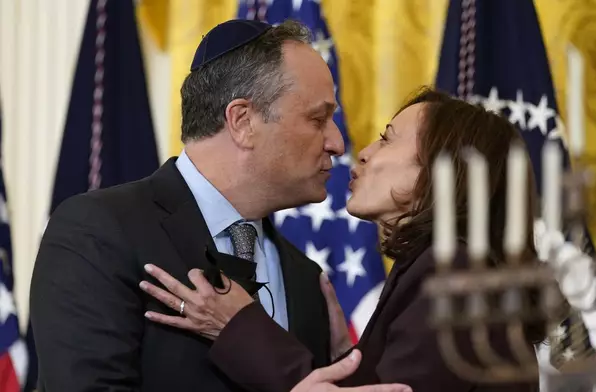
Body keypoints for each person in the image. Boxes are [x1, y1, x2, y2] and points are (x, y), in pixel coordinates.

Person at [30, 19, 400, 392]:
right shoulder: (99, 231)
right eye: (318, 119)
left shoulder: (307, 279)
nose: (337, 143)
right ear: (242, 121)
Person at [140, 87, 547, 391]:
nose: (363, 152)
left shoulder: (454, 269)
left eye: (387, 138)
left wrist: (238, 327)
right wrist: (348, 361)